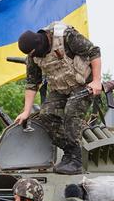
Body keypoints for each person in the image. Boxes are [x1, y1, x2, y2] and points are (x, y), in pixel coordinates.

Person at [14, 22, 102, 175]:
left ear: (39, 44)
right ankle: (70, 152)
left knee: (71, 112)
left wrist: (97, 80)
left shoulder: (65, 36)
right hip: (60, 88)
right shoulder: (32, 57)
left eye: (34, 53)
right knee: (45, 116)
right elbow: (32, 83)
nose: (33, 57)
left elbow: (94, 52)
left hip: (83, 84)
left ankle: (77, 161)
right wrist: (26, 111)